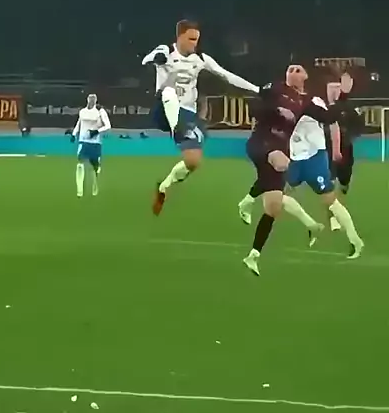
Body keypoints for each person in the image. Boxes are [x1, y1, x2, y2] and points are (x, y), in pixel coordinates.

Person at [241, 66, 353, 276]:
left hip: (279, 149)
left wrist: (343, 96)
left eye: (298, 70)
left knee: (273, 207)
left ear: (305, 76)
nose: (293, 72)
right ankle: (248, 199)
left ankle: (253, 255)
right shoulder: (275, 89)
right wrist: (272, 110)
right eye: (290, 69)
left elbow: (329, 117)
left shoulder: (306, 102)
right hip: (261, 143)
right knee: (283, 163)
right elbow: (255, 104)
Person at [142, 19, 260, 215]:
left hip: (187, 113)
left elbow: (226, 75)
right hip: (163, 109)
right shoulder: (166, 51)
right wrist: (157, 58)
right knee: (169, 92)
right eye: (190, 39)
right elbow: (146, 59)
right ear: (179, 37)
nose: (194, 43)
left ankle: (163, 187)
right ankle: (176, 128)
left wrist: (256, 89)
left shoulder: (200, 59)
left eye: (196, 39)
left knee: (193, 161)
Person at [324, 84, 363, 230]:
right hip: (328, 149)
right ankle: (333, 218)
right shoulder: (322, 108)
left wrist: (350, 135)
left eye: (336, 88)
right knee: (330, 183)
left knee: (344, 180)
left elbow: (358, 124)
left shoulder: (348, 107)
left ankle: (344, 185)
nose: (333, 91)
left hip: (346, 148)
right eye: (331, 88)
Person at [71, 94, 111, 198]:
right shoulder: (82, 111)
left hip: (95, 142)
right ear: (87, 100)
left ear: (96, 100)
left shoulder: (100, 111)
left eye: (93, 99)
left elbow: (108, 126)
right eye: (90, 99)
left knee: (94, 167)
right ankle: (79, 190)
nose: (91, 101)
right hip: (83, 141)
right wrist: (74, 134)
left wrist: (97, 131)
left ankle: (95, 186)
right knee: (80, 163)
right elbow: (79, 123)